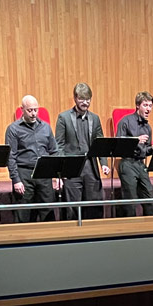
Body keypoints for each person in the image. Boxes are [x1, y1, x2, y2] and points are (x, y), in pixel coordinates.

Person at [55, 83, 109, 220]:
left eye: (88, 99)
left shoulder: (95, 118)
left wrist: (104, 163)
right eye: (82, 99)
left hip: (90, 166)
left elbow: (100, 143)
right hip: (72, 168)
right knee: (73, 207)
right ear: (75, 98)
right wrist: (61, 170)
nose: (85, 102)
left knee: (94, 205)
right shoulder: (64, 118)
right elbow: (59, 145)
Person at [7, 95, 61, 223]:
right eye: (29, 110)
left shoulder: (45, 127)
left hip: (44, 173)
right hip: (24, 173)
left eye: (35, 110)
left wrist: (58, 176)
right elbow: (11, 156)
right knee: (24, 214)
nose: (33, 113)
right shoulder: (13, 129)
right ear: (22, 109)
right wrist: (16, 180)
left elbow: (54, 152)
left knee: (47, 212)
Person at [116, 91, 153, 216]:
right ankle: (130, 229)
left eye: (150, 106)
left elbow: (145, 150)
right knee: (130, 201)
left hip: (140, 164)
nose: (148, 109)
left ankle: (150, 230)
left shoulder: (147, 127)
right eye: (145, 105)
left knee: (149, 198)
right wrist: (135, 140)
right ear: (138, 106)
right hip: (127, 163)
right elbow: (118, 145)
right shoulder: (125, 121)